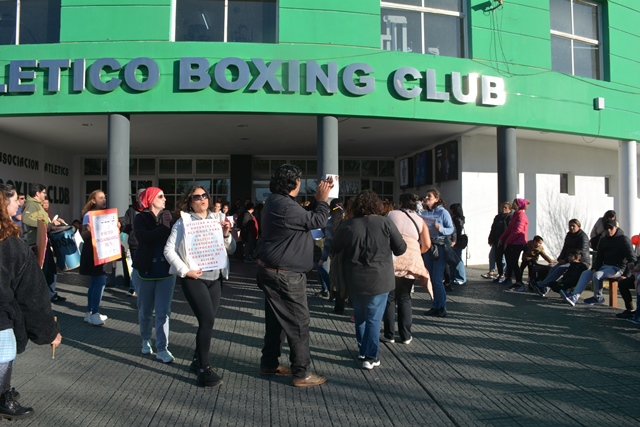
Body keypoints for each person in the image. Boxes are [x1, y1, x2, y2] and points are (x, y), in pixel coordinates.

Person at [254, 164, 332, 387]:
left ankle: (269, 362)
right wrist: (323, 199)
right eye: (299, 181)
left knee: (276, 320)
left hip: (275, 271)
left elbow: (307, 218)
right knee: (299, 322)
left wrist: (318, 201)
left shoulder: (277, 202)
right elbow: (316, 221)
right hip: (285, 275)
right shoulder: (285, 205)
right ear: (295, 183)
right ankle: (302, 373)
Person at [164, 185, 236, 387]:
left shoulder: (216, 219)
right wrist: (184, 270)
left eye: (205, 195)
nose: (202, 199)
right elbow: (168, 250)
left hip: (216, 277)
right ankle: (204, 369)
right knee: (207, 320)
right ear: (190, 201)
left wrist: (226, 235)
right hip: (194, 278)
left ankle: (197, 361)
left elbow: (231, 249)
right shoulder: (183, 222)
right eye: (197, 197)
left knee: (209, 321)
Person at [0, 190, 62, 420]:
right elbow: (32, 296)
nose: (20, 203)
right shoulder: (11, 245)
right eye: (16, 199)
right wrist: (49, 333)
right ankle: (3, 395)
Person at [331, 190, 406, 369]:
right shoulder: (385, 223)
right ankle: (370, 356)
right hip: (381, 278)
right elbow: (400, 249)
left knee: (360, 315)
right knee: (373, 317)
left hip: (354, 277)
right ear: (377, 205)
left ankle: (362, 350)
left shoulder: (348, 225)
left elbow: (334, 246)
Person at [132, 187, 176, 363]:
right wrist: (164, 228)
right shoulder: (140, 218)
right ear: (150, 200)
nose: (165, 199)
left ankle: (162, 347)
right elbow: (143, 237)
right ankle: (145, 339)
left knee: (163, 312)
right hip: (145, 270)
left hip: (166, 271)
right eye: (160, 196)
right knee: (145, 310)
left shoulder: (170, 218)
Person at [383, 193, 431, 345]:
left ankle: (389, 335)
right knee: (404, 298)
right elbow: (427, 244)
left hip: (392, 259)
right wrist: (416, 252)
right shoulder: (420, 220)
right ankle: (406, 335)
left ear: (400, 203)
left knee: (389, 298)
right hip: (410, 261)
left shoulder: (391, 214)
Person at [562, 219, 636, 306]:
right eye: (606, 228)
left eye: (610, 228)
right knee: (586, 273)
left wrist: (626, 275)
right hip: (605, 266)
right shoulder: (603, 240)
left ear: (616, 228)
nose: (608, 230)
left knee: (597, 275)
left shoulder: (623, 240)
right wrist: (594, 268)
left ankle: (598, 297)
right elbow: (599, 257)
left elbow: (631, 258)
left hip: (618, 268)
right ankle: (574, 297)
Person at [21, 183, 67, 303]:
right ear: (37, 193)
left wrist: (52, 222)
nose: (45, 195)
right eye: (43, 192)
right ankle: (44, 296)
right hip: (37, 243)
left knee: (50, 269)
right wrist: (44, 225)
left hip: (43, 241)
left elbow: (42, 220)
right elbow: (26, 219)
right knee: (44, 270)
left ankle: (50, 294)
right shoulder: (31, 204)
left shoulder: (37, 205)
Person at [420, 188, 455, 317]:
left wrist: (441, 229)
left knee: (437, 279)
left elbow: (451, 229)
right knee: (429, 278)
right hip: (428, 246)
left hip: (439, 246)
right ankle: (434, 305)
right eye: (426, 196)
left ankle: (442, 306)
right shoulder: (424, 213)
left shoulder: (443, 212)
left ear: (436, 199)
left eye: (429, 196)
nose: (427, 198)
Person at [532, 219, 590, 294]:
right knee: (554, 268)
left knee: (560, 268)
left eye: (573, 226)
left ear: (578, 227)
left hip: (579, 262)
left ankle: (542, 285)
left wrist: (565, 260)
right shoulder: (569, 235)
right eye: (570, 226)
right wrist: (560, 258)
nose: (571, 227)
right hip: (569, 259)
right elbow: (565, 248)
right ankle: (544, 286)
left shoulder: (583, 237)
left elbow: (580, 252)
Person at [79, 190, 109, 326]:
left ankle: (90, 312)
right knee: (99, 282)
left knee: (96, 283)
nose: (104, 200)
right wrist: (89, 230)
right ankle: (94, 313)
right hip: (93, 252)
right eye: (100, 198)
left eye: (104, 197)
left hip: (102, 250)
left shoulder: (106, 214)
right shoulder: (89, 215)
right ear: (93, 200)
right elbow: (83, 234)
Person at [499, 198, 530, 292]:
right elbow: (509, 229)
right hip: (513, 242)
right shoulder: (515, 215)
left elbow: (518, 231)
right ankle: (515, 281)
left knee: (514, 262)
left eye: (514, 203)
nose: (512, 204)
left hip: (518, 243)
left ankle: (519, 282)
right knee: (510, 262)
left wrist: (507, 241)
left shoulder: (521, 216)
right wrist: (502, 238)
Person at [121, 187, 146, 297]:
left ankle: (143, 289)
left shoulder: (149, 210)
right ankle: (133, 287)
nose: (142, 200)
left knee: (144, 267)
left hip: (146, 244)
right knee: (135, 267)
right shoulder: (131, 211)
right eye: (140, 197)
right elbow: (125, 224)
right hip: (134, 243)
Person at [316, 199, 343, 299]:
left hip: (335, 254)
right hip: (349, 255)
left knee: (336, 278)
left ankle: (336, 300)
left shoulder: (329, 222)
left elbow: (327, 243)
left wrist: (323, 258)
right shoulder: (348, 219)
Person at [482, 201, 512, 279]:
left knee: (503, 258)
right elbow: (493, 229)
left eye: (505, 207)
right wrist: (491, 238)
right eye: (502, 207)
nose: (503, 209)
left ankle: (503, 273)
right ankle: (492, 271)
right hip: (496, 240)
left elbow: (509, 230)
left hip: (505, 241)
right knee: (493, 256)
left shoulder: (509, 217)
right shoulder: (497, 217)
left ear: (509, 209)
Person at [448, 203, 466, 286]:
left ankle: (461, 278)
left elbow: (456, 231)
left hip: (457, 242)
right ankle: (453, 277)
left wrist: (453, 240)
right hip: (456, 242)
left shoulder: (456, 220)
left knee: (458, 260)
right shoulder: (459, 219)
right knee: (453, 260)